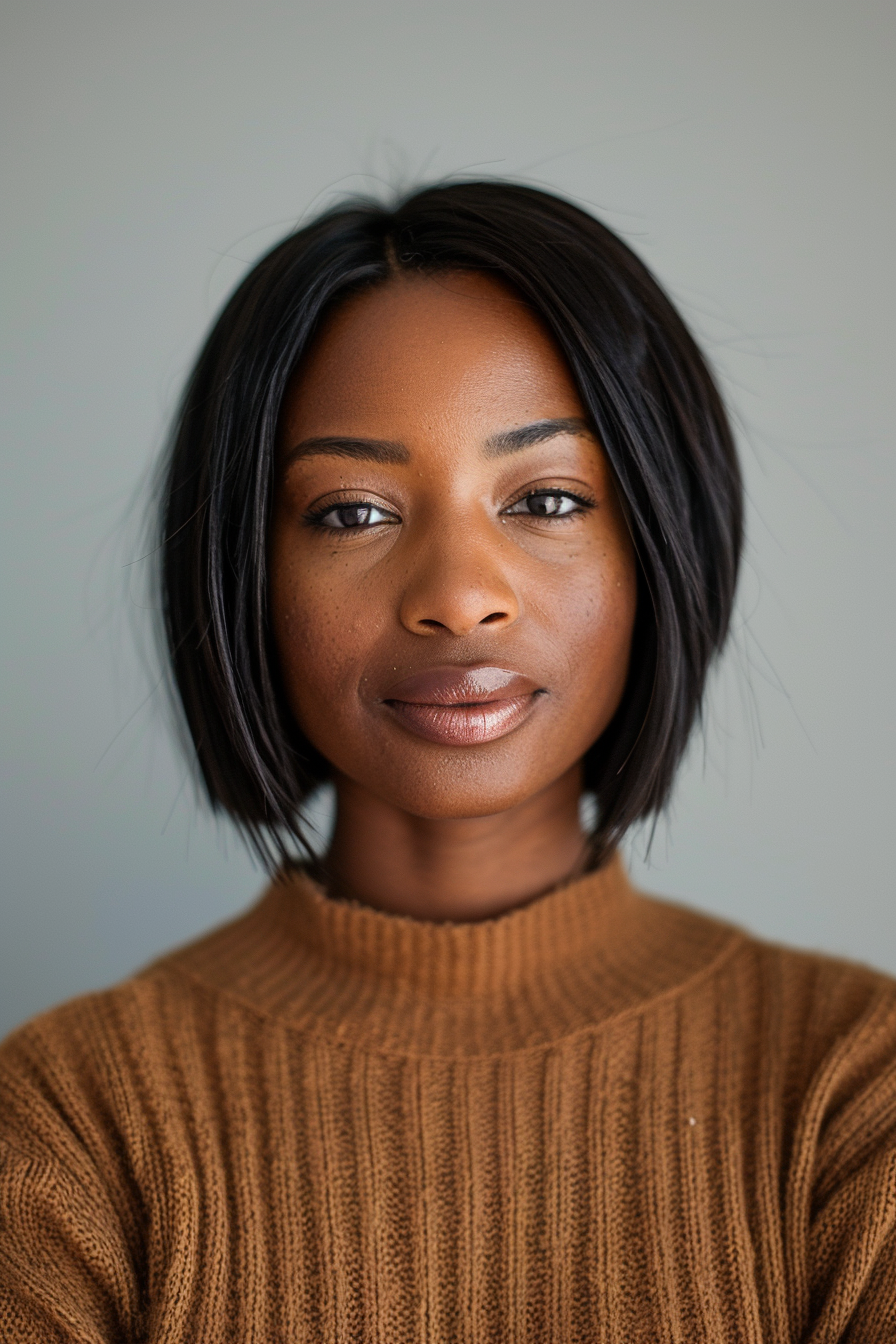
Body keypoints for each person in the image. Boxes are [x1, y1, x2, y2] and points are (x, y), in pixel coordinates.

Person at [1, 181, 894, 1342]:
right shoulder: (69, 1122)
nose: (457, 598)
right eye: (352, 514)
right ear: (244, 577)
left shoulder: (846, 1092)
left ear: (659, 552)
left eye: (548, 498)